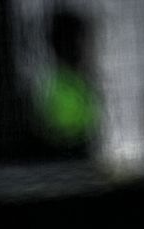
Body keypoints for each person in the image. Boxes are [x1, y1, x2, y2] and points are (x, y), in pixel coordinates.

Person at [35, 8, 98, 155]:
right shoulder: (53, 84)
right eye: (79, 40)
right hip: (65, 155)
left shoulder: (79, 81)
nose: (85, 47)